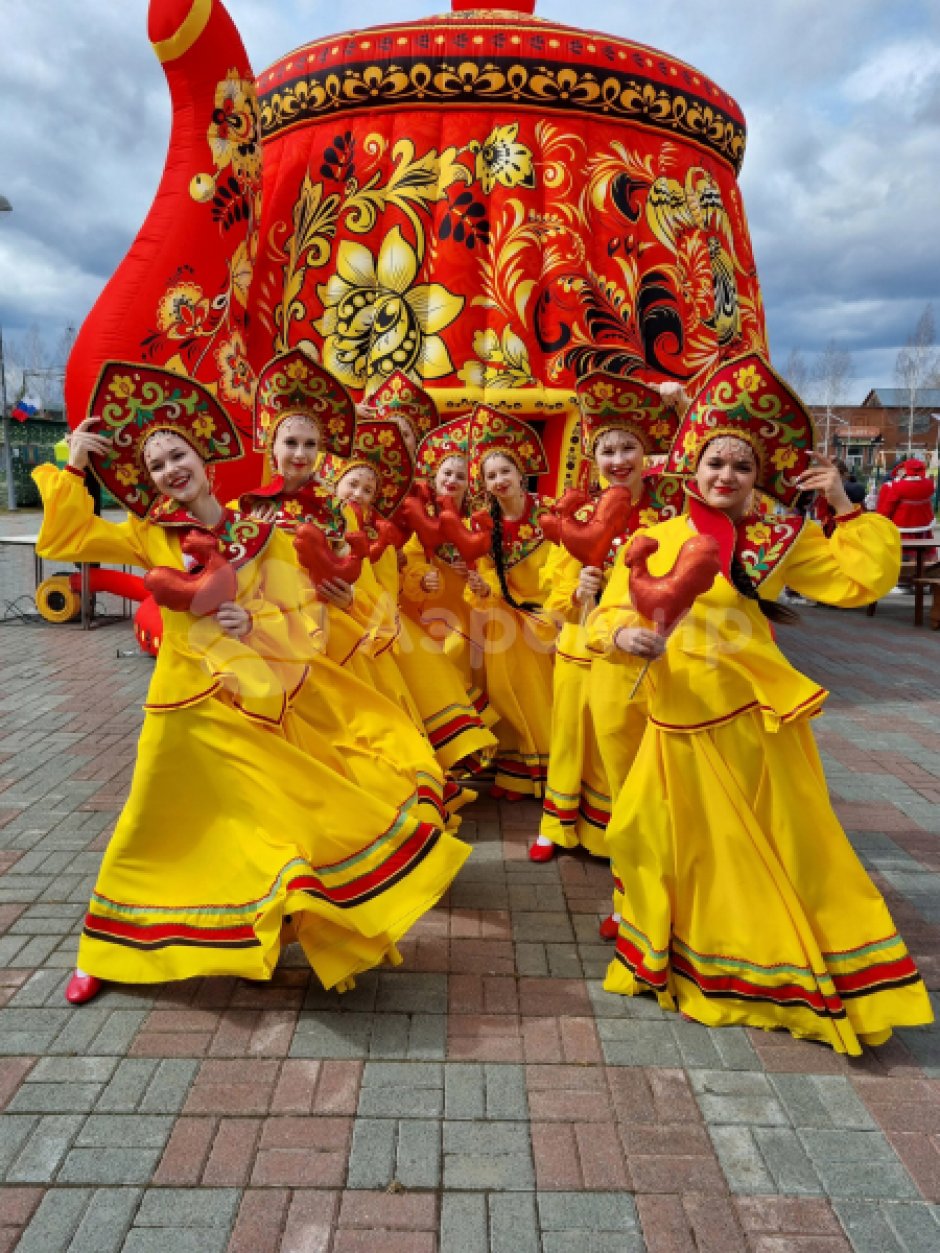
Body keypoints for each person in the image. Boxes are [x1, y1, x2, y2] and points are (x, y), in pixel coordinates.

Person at [34, 362, 469, 1005]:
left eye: (177, 455)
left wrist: (252, 616)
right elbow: (66, 535)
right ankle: (108, 947)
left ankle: (287, 918)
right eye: (156, 466)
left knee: (284, 813)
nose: (170, 471)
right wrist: (72, 466)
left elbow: (299, 612)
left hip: (253, 701)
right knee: (151, 819)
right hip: (180, 705)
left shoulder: (255, 528)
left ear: (204, 456)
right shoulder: (150, 533)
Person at [587, 353, 932, 1054]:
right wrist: (624, 632)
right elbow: (602, 620)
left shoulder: (781, 538)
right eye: (716, 461)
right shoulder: (658, 536)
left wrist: (842, 504)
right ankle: (683, 945)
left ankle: (758, 964)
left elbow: (862, 579)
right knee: (647, 837)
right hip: (671, 724)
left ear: (758, 477)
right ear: (693, 463)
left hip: (750, 729)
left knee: (769, 851)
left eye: (742, 467)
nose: (726, 476)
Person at [530, 373, 682, 864]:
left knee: (628, 744)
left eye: (627, 449)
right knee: (571, 731)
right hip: (583, 634)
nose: (617, 462)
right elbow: (553, 582)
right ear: (593, 460)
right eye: (607, 452)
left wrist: (680, 407)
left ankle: (622, 835)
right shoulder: (581, 512)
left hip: (647, 641)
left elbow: (706, 464)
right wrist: (577, 592)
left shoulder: (667, 507)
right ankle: (556, 822)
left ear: (645, 454)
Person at [320, 406, 497, 788]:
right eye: (352, 485)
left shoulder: (384, 530)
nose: (359, 494)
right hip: (345, 629)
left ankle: (418, 769)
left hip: (389, 621)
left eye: (368, 489)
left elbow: (396, 579)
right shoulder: (326, 523)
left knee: (419, 678)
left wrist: (418, 580)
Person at [465, 406, 556, 799]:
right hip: (506, 615)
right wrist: (485, 589)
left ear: (521, 475)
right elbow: (483, 572)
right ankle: (519, 772)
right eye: (491, 476)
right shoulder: (484, 524)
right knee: (509, 691)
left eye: (505, 472)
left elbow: (566, 563)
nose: (499, 480)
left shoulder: (551, 513)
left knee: (548, 694)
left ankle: (558, 771)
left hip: (550, 615)